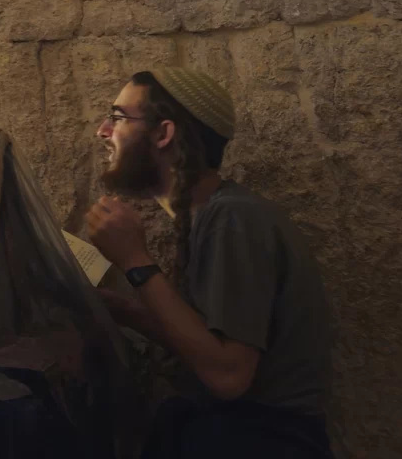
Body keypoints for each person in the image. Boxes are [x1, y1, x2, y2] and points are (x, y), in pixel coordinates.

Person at [84, 67, 334, 459]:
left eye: (117, 117)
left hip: (259, 441)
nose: (102, 130)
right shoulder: (207, 219)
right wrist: (125, 311)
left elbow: (228, 375)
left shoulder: (233, 219)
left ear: (163, 134)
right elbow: (204, 345)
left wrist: (135, 259)